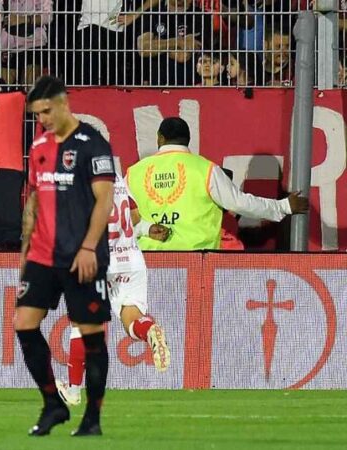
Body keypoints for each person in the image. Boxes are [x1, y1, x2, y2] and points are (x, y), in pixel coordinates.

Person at [17, 75, 114, 437]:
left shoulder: (93, 144)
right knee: (24, 324)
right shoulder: (39, 146)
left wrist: (89, 247)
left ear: (63, 103)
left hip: (80, 256)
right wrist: (25, 252)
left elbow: (104, 200)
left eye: (46, 111)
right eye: (36, 114)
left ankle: (92, 418)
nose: (42, 119)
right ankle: (52, 404)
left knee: (91, 336)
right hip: (43, 255)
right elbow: (34, 200)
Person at [57, 174, 171, 407]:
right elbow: (135, 216)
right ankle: (149, 330)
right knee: (132, 317)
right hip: (131, 259)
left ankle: (74, 389)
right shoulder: (116, 176)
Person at [126, 117, 309, 251]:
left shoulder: (134, 172)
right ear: (188, 139)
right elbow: (239, 203)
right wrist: (283, 206)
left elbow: (121, 219)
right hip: (197, 262)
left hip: (150, 261)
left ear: (160, 138)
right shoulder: (206, 169)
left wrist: (146, 229)